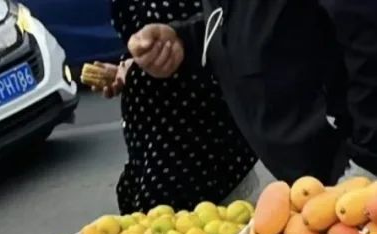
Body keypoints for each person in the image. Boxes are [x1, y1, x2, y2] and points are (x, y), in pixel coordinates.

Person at [126, 0, 377, 185]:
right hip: (310, 180)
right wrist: (183, 42)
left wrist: (369, 161)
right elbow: (249, 21)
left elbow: (376, 35)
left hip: (362, 168)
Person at [95, 0, 257, 214]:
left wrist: (182, 40)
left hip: (201, 144)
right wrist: (128, 67)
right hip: (150, 146)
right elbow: (144, 34)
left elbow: (239, 22)